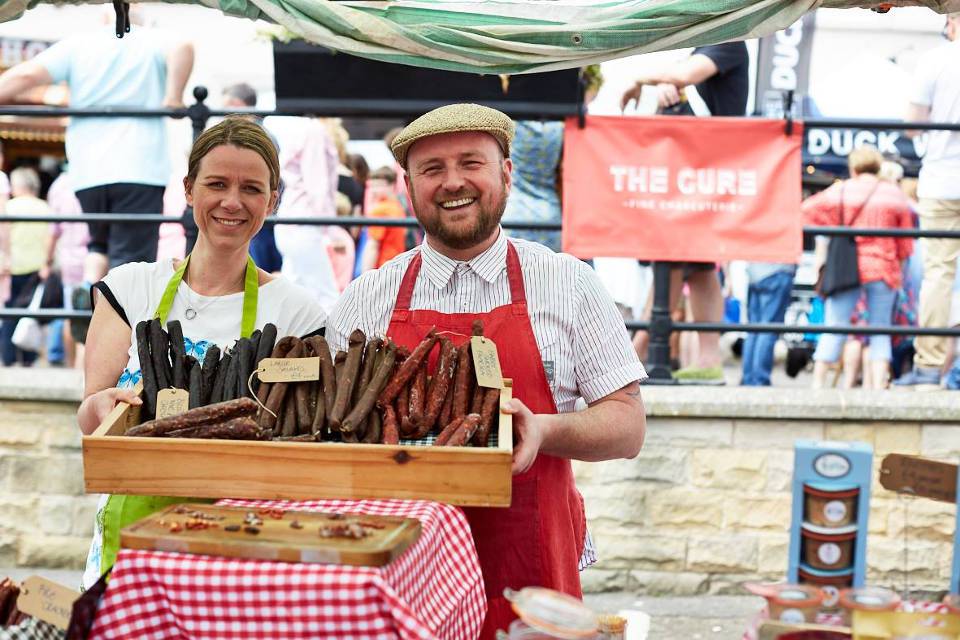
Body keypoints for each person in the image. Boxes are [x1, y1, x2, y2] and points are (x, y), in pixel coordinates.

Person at [327, 103, 647, 638]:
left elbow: (627, 426)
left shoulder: (568, 283)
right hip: (400, 570)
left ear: (506, 173)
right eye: (432, 169)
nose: (453, 182)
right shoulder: (366, 300)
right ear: (408, 186)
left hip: (529, 567)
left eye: (471, 162)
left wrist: (544, 429)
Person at [75, 116, 327, 589]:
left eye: (251, 188)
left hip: (245, 537)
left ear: (272, 200)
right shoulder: (130, 288)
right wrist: (102, 409)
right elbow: (90, 418)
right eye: (216, 184)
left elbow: (301, 436)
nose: (232, 202)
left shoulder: (297, 312)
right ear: (189, 190)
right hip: (130, 534)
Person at [0, 9, 194, 279]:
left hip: (88, 171)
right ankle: (119, 318)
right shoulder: (150, 39)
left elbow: (25, 76)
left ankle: (92, 303)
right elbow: (183, 47)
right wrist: (174, 98)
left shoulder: (79, 44)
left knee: (97, 245)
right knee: (132, 262)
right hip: (140, 166)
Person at [621, 42, 749, 383]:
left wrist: (642, 79)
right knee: (700, 269)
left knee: (675, 261)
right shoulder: (713, 47)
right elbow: (682, 78)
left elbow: (685, 74)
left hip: (704, 173)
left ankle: (634, 356)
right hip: (703, 174)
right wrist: (671, 86)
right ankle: (706, 361)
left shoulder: (727, 42)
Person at [803, 146, 914, 389]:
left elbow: (807, 211)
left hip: (847, 267)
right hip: (883, 268)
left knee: (835, 325)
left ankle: (817, 386)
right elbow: (906, 244)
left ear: (853, 167)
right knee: (880, 329)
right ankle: (876, 389)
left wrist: (836, 223)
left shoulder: (841, 190)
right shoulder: (894, 195)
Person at [895, 12, 960, 389]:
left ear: (952, 22)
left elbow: (912, 124)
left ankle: (929, 367)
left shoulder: (936, 60)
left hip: (942, 180)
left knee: (938, 274)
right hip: (942, 180)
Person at [0, 167, 51, 367]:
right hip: (37, 269)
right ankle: (29, 359)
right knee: (31, 315)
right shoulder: (46, 208)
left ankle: (9, 358)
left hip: (12, 268)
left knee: (10, 314)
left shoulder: (9, 208)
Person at [741, 262, 796, 386]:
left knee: (753, 329)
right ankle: (760, 379)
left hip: (754, 272)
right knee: (768, 329)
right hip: (778, 270)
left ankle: (748, 378)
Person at [358, 166, 409, 272]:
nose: (373, 190)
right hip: (397, 267)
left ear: (391, 185)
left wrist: (365, 278)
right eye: (371, 186)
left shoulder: (380, 210)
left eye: (378, 186)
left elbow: (373, 245)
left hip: (381, 268)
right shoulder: (398, 206)